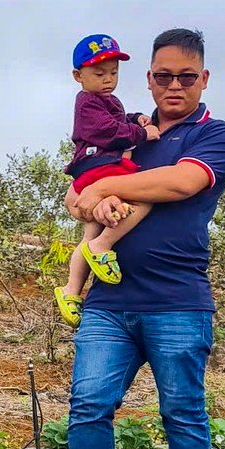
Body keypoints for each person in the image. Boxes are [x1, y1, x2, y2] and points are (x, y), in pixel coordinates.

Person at [62, 28, 225, 449]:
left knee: (182, 411)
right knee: (89, 405)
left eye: (186, 77)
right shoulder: (126, 131)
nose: (174, 87)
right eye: (163, 77)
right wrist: (85, 195)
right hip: (108, 302)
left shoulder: (215, 135)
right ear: (149, 79)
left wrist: (106, 185)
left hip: (178, 301)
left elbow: (181, 182)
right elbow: (77, 195)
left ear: (204, 79)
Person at [54, 34, 161, 328]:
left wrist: (136, 117)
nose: (108, 79)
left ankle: (71, 291)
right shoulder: (86, 103)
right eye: (99, 74)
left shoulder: (104, 100)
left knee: (89, 231)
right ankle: (104, 245)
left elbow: (117, 118)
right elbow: (108, 132)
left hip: (96, 169)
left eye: (113, 72)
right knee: (144, 198)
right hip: (99, 165)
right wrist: (142, 133)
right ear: (78, 76)